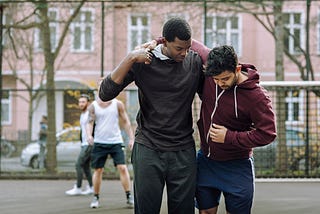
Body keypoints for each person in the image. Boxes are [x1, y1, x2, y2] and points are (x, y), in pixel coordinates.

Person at [98, 17, 204, 214]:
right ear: (165, 41)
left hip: (183, 150)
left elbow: (212, 96)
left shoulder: (194, 62)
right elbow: (105, 93)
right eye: (179, 48)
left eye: (188, 47)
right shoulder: (143, 61)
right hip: (149, 148)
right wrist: (130, 58)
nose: (185, 53)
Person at [195, 45, 277, 214]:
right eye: (215, 79)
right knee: (205, 212)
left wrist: (229, 137)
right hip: (206, 161)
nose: (219, 83)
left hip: (237, 166)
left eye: (224, 79)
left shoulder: (257, 97)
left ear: (237, 69)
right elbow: (192, 43)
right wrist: (158, 41)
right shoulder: (214, 67)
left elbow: (267, 134)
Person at [86, 95, 134, 209]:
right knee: (98, 170)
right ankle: (96, 197)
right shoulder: (93, 106)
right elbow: (89, 122)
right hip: (99, 142)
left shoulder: (117, 104)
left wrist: (131, 137)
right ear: (99, 90)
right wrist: (88, 135)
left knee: (122, 168)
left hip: (116, 141)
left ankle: (129, 196)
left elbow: (126, 121)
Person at [65, 94, 93, 196]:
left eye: (83, 102)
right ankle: (91, 187)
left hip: (89, 144)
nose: (81, 104)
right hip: (84, 143)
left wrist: (91, 139)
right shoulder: (82, 114)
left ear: (88, 103)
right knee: (85, 166)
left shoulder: (90, 114)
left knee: (78, 164)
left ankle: (78, 187)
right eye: (80, 102)